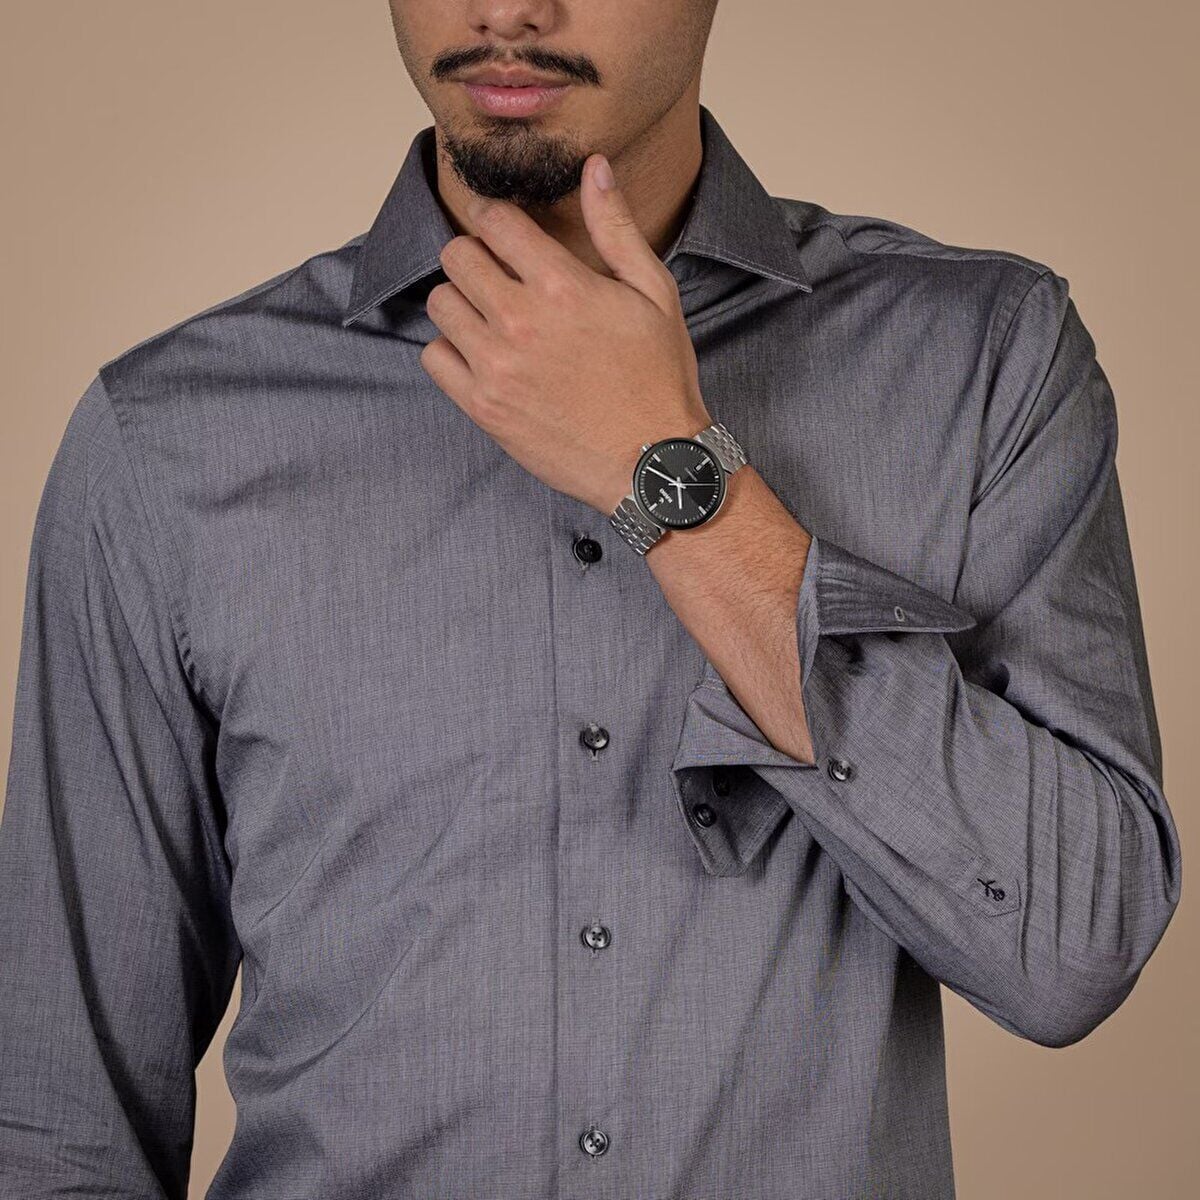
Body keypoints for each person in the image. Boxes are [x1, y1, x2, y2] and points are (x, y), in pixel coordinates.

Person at [0, 2, 1182, 1198]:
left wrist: (676, 480)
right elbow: (59, 1135)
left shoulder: (981, 362)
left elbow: (1069, 950)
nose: (508, 8)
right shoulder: (167, 441)